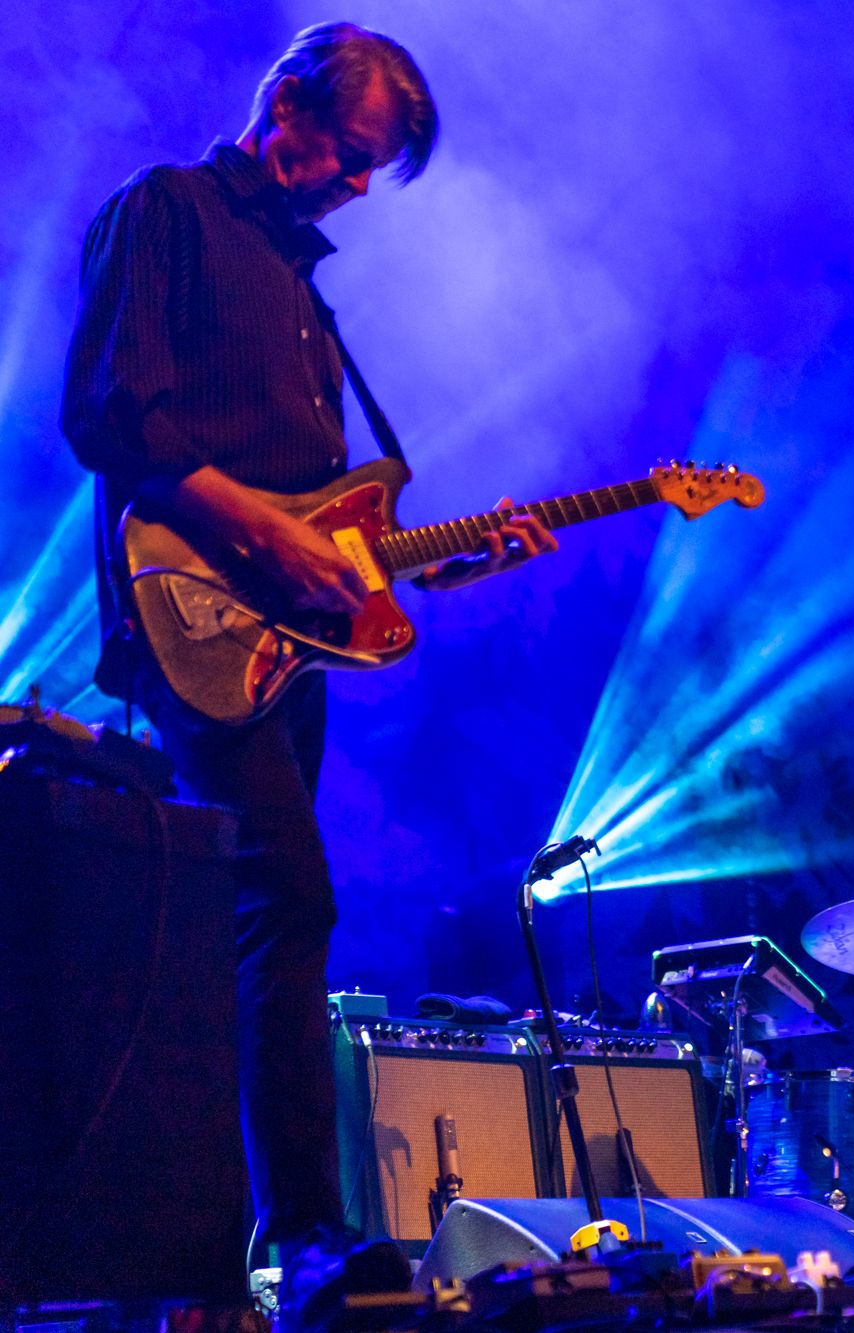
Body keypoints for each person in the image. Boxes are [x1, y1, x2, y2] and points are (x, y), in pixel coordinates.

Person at [60, 21, 555, 1285]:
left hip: (284, 645)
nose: (356, 186)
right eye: (348, 154)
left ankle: (251, 1231)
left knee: (263, 916)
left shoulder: (301, 291)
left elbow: (334, 528)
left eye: (370, 169)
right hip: (189, 608)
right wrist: (266, 535)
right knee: (287, 898)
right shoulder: (166, 211)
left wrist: (445, 559)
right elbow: (112, 414)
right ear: (284, 101)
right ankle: (293, 1231)